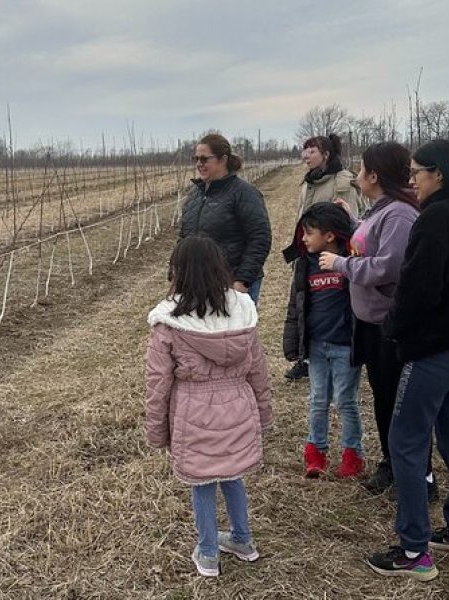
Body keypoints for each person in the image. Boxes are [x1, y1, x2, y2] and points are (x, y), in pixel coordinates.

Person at [367, 140, 449, 581]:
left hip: (433, 351)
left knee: (406, 441)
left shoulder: (435, 218)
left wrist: (393, 330)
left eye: (417, 172)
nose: (411, 179)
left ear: (439, 174)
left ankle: (415, 550)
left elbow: (418, 290)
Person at [144, 235, 273, 577]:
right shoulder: (243, 311)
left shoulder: (169, 320)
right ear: (220, 269)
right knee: (232, 474)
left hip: (193, 411)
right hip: (238, 405)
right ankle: (243, 540)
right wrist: (263, 412)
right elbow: (258, 369)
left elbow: (158, 382)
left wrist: (157, 429)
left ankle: (208, 551)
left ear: (178, 272)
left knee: (201, 481)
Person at [318, 142, 438, 500]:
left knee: (398, 401)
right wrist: (353, 222)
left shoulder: (399, 213)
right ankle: (393, 464)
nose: (356, 175)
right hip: (372, 323)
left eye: (361, 170)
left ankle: (418, 475)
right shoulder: (381, 210)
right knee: (385, 398)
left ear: (374, 175)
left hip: (389, 326)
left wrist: (340, 265)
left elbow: (388, 266)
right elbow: (373, 244)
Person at [283, 203, 363, 478]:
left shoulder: (351, 260)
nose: (303, 239)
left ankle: (352, 455)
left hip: (345, 345)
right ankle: (315, 452)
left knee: (345, 401)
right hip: (317, 346)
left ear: (329, 235)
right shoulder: (306, 265)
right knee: (318, 399)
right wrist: (293, 342)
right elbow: (296, 305)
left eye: (309, 232)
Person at [285, 133, 363, 380]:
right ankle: (307, 357)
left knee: (332, 306)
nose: (305, 156)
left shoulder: (342, 181)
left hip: (332, 258)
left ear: (326, 155)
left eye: (312, 151)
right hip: (309, 251)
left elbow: (345, 223)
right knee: (304, 303)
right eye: (304, 151)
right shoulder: (309, 182)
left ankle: (339, 355)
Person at [179, 133, 272, 305]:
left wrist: (242, 281)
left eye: (205, 159)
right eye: (196, 159)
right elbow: (185, 236)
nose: (199, 164)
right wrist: (177, 270)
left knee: (232, 332)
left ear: (222, 160)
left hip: (232, 283)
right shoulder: (195, 195)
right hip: (200, 283)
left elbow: (260, 238)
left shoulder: (244, 193)